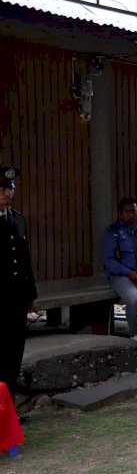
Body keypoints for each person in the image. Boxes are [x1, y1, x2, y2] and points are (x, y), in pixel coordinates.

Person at [0, 166, 36, 423]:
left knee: (13, 356)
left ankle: (9, 413)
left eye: (10, 187)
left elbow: (24, 261)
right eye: (2, 187)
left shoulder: (17, 218)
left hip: (15, 299)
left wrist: (30, 294)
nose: (8, 192)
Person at [103, 197, 137, 347]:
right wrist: (128, 273)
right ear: (120, 213)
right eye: (128, 212)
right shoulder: (112, 232)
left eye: (134, 211)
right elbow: (109, 261)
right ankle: (135, 334)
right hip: (121, 276)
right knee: (134, 299)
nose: (132, 215)